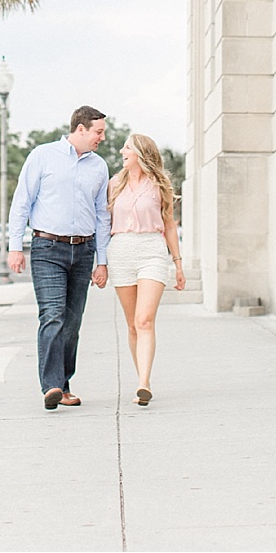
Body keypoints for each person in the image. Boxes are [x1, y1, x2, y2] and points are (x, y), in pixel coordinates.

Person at [7, 106, 111, 411]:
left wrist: (101, 261)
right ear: (81, 129)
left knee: (72, 322)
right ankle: (51, 385)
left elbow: (102, 215)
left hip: (84, 250)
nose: (101, 138)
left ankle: (63, 384)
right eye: (98, 132)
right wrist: (15, 246)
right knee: (52, 315)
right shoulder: (42, 155)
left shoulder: (99, 166)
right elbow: (22, 202)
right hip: (47, 249)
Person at [107, 131, 186, 405]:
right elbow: (101, 223)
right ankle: (144, 378)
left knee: (144, 320)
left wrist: (177, 264)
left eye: (126, 148)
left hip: (152, 250)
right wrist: (101, 262)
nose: (121, 152)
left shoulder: (159, 185)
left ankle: (143, 383)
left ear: (140, 153)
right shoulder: (114, 184)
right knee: (132, 325)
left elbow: (169, 225)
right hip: (121, 251)